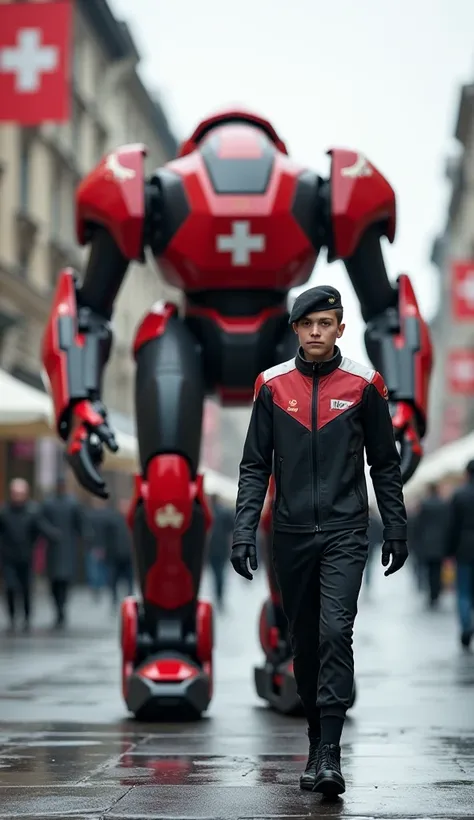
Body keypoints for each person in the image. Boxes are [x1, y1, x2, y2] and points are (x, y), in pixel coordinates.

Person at [230, 286, 408, 797]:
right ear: (295, 330)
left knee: (335, 632)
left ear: (340, 330)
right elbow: (253, 466)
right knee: (304, 644)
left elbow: (385, 463)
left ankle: (330, 753)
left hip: (346, 531)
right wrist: (245, 529)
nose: (315, 332)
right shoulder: (270, 386)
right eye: (307, 324)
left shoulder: (364, 385)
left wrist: (393, 524)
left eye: (325, 323)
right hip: (288, 535)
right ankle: (314, 741)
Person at [0, 478, 60, 632]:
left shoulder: (32, 511)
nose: (18, 496)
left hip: (26, 556)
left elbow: (42, 527)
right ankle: (13, 617)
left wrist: (55, 536)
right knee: (11, 588)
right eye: (15, 493)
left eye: (21, 493)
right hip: (8, 557)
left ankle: (26, 617)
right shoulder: (4, 512)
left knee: (26, 588)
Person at [41, 476, 85, 628]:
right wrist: (50, 532)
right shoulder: (48, 503)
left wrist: (83, 536)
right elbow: (41, 521)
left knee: (64, 581)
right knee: (54, 581)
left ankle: (62, 608)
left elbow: (80, 523)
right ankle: (58, 607)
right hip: (54, 549)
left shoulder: (72, 503)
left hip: (67, 547)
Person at [445, 459, 474, 649]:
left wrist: (449, 550)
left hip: (464, 547)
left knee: (463, 591)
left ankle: (466, 625)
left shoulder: (459, 494)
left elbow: (452, 526)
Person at [413, 483, 449, 608]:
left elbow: (419, 525)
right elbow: (447, 524)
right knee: (437, 570)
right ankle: (436, 593)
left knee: (428, 570)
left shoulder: (424, 505)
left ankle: (431, 595)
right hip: (440, 543)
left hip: (427, 542)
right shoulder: (444, 504)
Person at [105, 499, 134, 609]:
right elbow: (108, 537)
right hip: (115, 554)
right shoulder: (113, 520)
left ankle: (129, 598)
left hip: (128, 555)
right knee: (114, 579)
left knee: (129, 579)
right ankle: (114, 599)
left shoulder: (132, 520)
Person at [207, 495, 234, 612]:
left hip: (214, 548)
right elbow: (231, 527)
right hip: (219, 548)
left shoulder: (210, 511)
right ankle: (219, 596)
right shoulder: (222, 512)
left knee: (218, 574)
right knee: (219, 574)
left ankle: (218, 595)